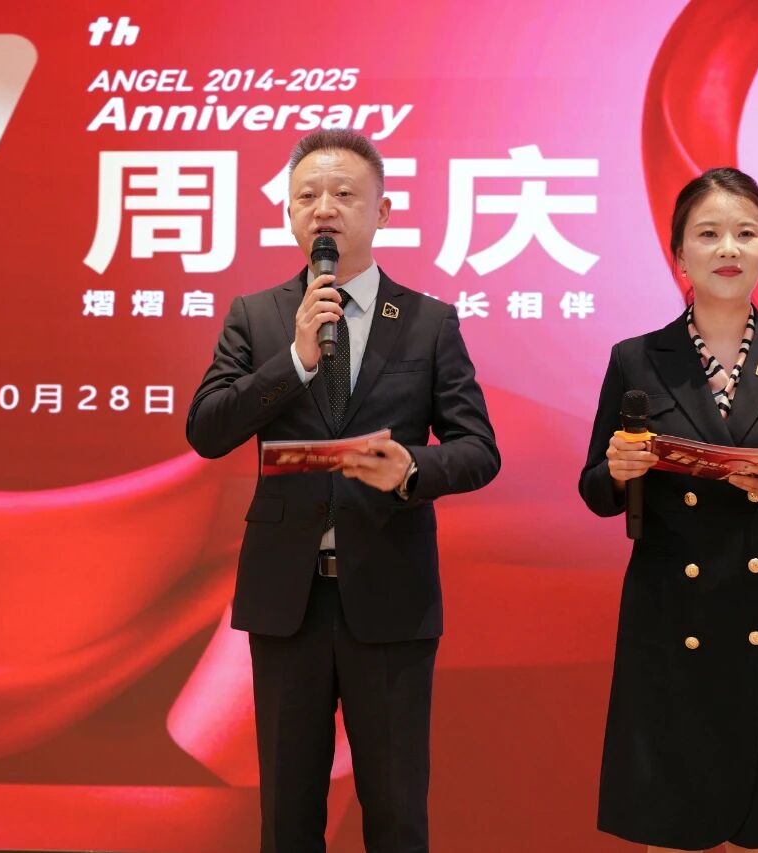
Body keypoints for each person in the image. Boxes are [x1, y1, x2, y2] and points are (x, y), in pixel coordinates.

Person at [186, 129, 499, 853]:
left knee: (395, 812)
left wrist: (411, 469)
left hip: (389, 596)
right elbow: (207, 429)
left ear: (382, 212)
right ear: (289, 214)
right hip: (286, 600)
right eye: (307, 196)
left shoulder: (427, 322)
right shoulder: (257, 317)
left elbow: (479, 450)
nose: (324, 208)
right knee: (288, 815)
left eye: (344, 194)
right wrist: (294, 362)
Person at [578, 167, 758, 852]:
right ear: (679, 254)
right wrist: (618, 472)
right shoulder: (638, 359)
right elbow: (593, 486)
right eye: (708, 234)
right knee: (674, 821)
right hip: (672, 608)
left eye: (745, 233)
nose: (728, 248)